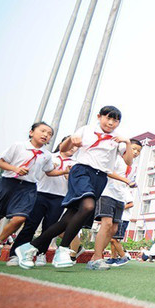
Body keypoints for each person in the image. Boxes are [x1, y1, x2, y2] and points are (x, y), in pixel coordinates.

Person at [15, 106, 134, 270]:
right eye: (108, 118)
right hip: (82, 171)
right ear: (99, 117)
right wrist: (72, 139)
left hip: (100, 178)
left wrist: (127, 142)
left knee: (69, 217)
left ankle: (29, 248)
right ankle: (63, 250)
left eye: (115, 120)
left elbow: (129, 161)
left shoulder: (117, 139)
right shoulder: (87, 130)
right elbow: (63, 149)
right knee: (88, 206)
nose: (111, 123)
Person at [0, 123, 55, 260]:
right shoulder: (18, 146)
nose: (45, 135)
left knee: (20, 218)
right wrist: (15, 169)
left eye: (49, 134)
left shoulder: (46, 155)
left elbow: (49, 171)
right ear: (31, 132)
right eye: (42, 131)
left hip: (27, 188)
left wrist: (65, 171)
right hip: (7, 184)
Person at [6, 136, 76, 267]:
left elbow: (73, 181)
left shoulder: (76, 163)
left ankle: (41, 254)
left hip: (59, 197)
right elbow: (37, 172)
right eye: (69, 145)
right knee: (30, 224)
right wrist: (51, 168)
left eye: (75, 146)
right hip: (40, 193)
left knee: (49, 227)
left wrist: (69, 175)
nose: (72, 148)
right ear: (62, 144)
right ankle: (16, 254)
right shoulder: (48, 156)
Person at [99, 138, 143, 268]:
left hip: (119, 197)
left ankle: (115, 257)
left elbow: (126, 184)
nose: (135, 152)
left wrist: (129, 183)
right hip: (108, 193)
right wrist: (125, 180)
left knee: (113, 232)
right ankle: (98, 256)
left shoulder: (133, 166)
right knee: (107, 227)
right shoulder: (116, 158)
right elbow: (108, 171)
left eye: (138, 151)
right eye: (133, 149)